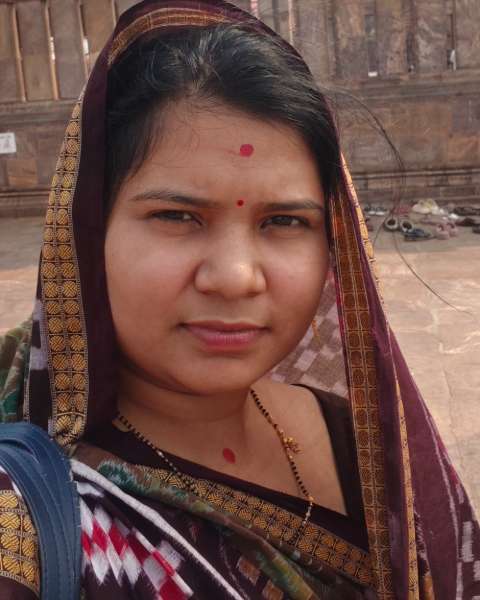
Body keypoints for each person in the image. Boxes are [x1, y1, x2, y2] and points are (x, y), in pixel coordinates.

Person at [0, 1, 478, 598]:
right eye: (176, 216)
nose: (235, 279)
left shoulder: (368, 439)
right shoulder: (33, 520)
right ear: (86, 233)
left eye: (283, 221)